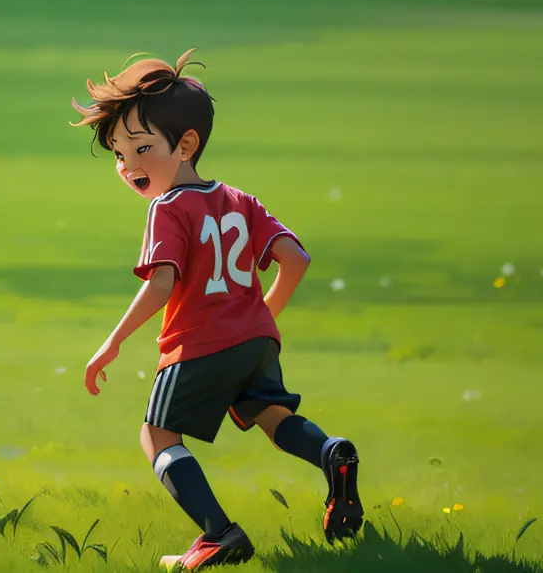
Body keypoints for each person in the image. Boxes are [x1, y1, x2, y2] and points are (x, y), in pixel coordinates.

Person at [70, 49, 363, 570]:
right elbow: (295, 259)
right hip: (256, 340)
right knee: (274, 417)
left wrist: (112, 342)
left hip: (199, 343)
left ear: (186, 144)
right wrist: (264, 317)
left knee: (157, 435)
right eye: (118, 154)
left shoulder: (168, 206)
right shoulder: (239, 199)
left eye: (140, 148)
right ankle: (330, 453)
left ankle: (219, 534)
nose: (129, 166)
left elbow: (162, 283)